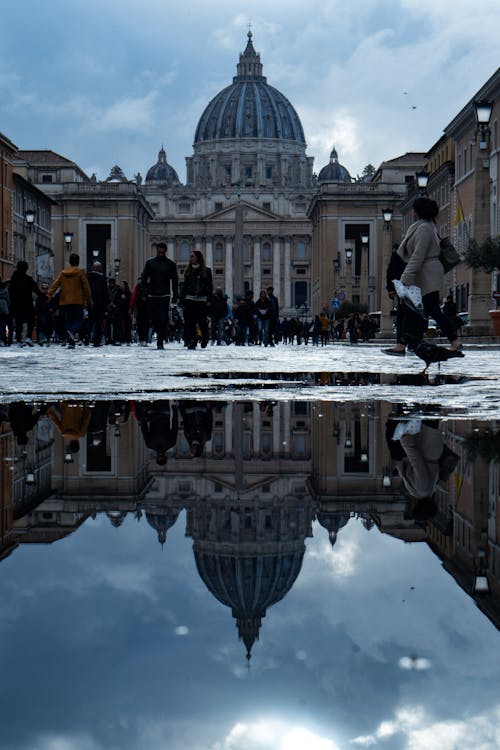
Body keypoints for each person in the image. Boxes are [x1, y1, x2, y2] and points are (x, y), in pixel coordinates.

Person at [395, 197, 462, 353]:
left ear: (418, 211)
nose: (412, 212)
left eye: (414, 209)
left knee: (421, 310)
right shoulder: (425, 226)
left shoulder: (424, 228)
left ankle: (401, 345)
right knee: (420, 310)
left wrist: (405, 278)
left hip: (426, 275)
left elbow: (418, 255)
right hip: (425, 274)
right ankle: (454, 341)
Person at [48, 253, 92, 348]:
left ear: (70, 262)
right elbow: (86, 287)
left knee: (67, 320)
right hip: (77, 301)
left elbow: (55, 285)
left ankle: (70, 338)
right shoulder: (80, 273)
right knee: (79, 320)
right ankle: (71, 331)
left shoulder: (63, 273)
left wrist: (49, 295)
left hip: (65, 301)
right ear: (78, 262)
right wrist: (89, 299)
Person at [141, 242, 178, 350]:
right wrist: (144, 291)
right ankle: (156, 334)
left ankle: (160, 341)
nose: (160, 253)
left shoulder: (170, 264)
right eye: (159, 251)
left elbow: (175, 280)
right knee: (153, 318)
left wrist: (175, 295)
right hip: (152, 295)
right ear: (157, 250)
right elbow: (144, 278)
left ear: (165, 251)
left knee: (163, 319)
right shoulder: (150, 263)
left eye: (162, 251)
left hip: (164, 295)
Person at [180, 250, 213, 349]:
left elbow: (209, 286)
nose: (190, 258)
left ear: (198, 258)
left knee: (201, 321)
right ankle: (192, 341)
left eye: (192, 256)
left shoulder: (207, 270)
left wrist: (209, 299)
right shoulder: (188, 270)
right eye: (190, 256)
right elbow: (185, 286)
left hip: (201, 300)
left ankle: (205, 337)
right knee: (190, 322)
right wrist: (182, 299)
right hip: (189, 299)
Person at [8, 260, 41, 346]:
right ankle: (28, 337)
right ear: (26, 269)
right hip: (28, 303)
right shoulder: (28, 279)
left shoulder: (13, 279)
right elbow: (36, 290)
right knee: (31, 320)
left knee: (19, 322)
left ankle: (19, 340)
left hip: (17, 304)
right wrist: (44, 297)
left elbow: (10, 293)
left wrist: (12, 304)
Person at [86, 261, 109, 347]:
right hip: (100, 304)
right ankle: (96, 341)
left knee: (90, 321)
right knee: (98, 322)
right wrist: (107, 303)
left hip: (91, 303)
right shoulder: (102, 278)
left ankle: (87, 338)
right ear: (99, 268)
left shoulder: (88, 277)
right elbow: (104, 291)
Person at [0, 276, 10, 346]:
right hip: (3, 306)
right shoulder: (4, 287)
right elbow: (7, 298)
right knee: (3, 325)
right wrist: (8, 307)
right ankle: (3, 340)